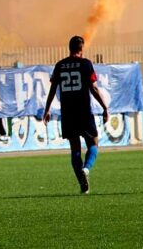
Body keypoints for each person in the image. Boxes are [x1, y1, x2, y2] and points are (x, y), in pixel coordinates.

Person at [42, 35, 109, 194]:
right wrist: (104, 107)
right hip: (84, 111)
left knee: (75, 149)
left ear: (69, 48)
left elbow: (52, 89)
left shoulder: (60, 65)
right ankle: (86, 169)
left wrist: (47, 109)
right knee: (93, 143)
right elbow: (93, 88)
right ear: (81, 48)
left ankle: (82, 184)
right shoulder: (85, 64)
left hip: (68, 112)